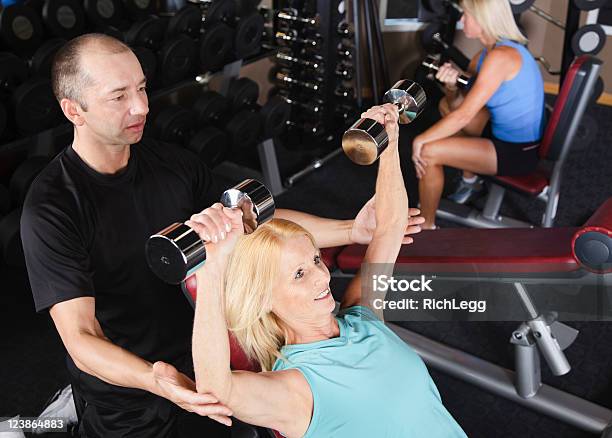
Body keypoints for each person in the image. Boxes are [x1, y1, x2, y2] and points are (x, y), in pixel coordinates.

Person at [20, 34, 424, 437]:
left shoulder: (172, 163)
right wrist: (152, 378)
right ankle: (50, 421)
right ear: (74, 110)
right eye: (119, 96)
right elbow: (81, 337)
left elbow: (253, 222)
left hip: (209, 344)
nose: (142, 106)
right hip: (130, 381)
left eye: (142, 88)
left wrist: (351, 230)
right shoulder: (53, 207)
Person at [179, 103, 466, 437]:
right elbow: (217, 390)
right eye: (299, 274)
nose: (322, 276)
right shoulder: (297, 387)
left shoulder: (363, 318)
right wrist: (212, 268)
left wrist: (389, 143)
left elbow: (389, 227)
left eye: (315, 260)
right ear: (262, 298)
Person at [413, 0, 545, 228]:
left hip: (517, 153)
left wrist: (421, 139)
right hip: (497, 131)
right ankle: (470, 180)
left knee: (427, 152)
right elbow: (458, 103)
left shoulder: (501, 57)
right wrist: (453, 85)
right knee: (446, 104)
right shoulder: (486, 54)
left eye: (467, 16)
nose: (462, 20)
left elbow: (464, 116)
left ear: (485, 20)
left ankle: (426, 228)